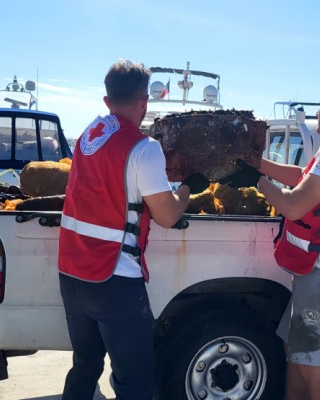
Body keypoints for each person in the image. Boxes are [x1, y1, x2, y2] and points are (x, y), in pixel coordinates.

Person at [57, 59, 208, 400]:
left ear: (107, 101)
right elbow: (167, 215)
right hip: (115, 279)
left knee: (85, 365)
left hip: (71, 273)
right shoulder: (143, 148)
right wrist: (186, 188)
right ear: (144, 102)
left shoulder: (87, 137)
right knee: (135, 379)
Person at [230, 80, 320, 400]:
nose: (318, 115)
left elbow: (293, 205)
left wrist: (257, 181)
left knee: (312, 367)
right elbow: (301, 178)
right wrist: (257, 165)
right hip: (318, 276)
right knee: (296, 355)